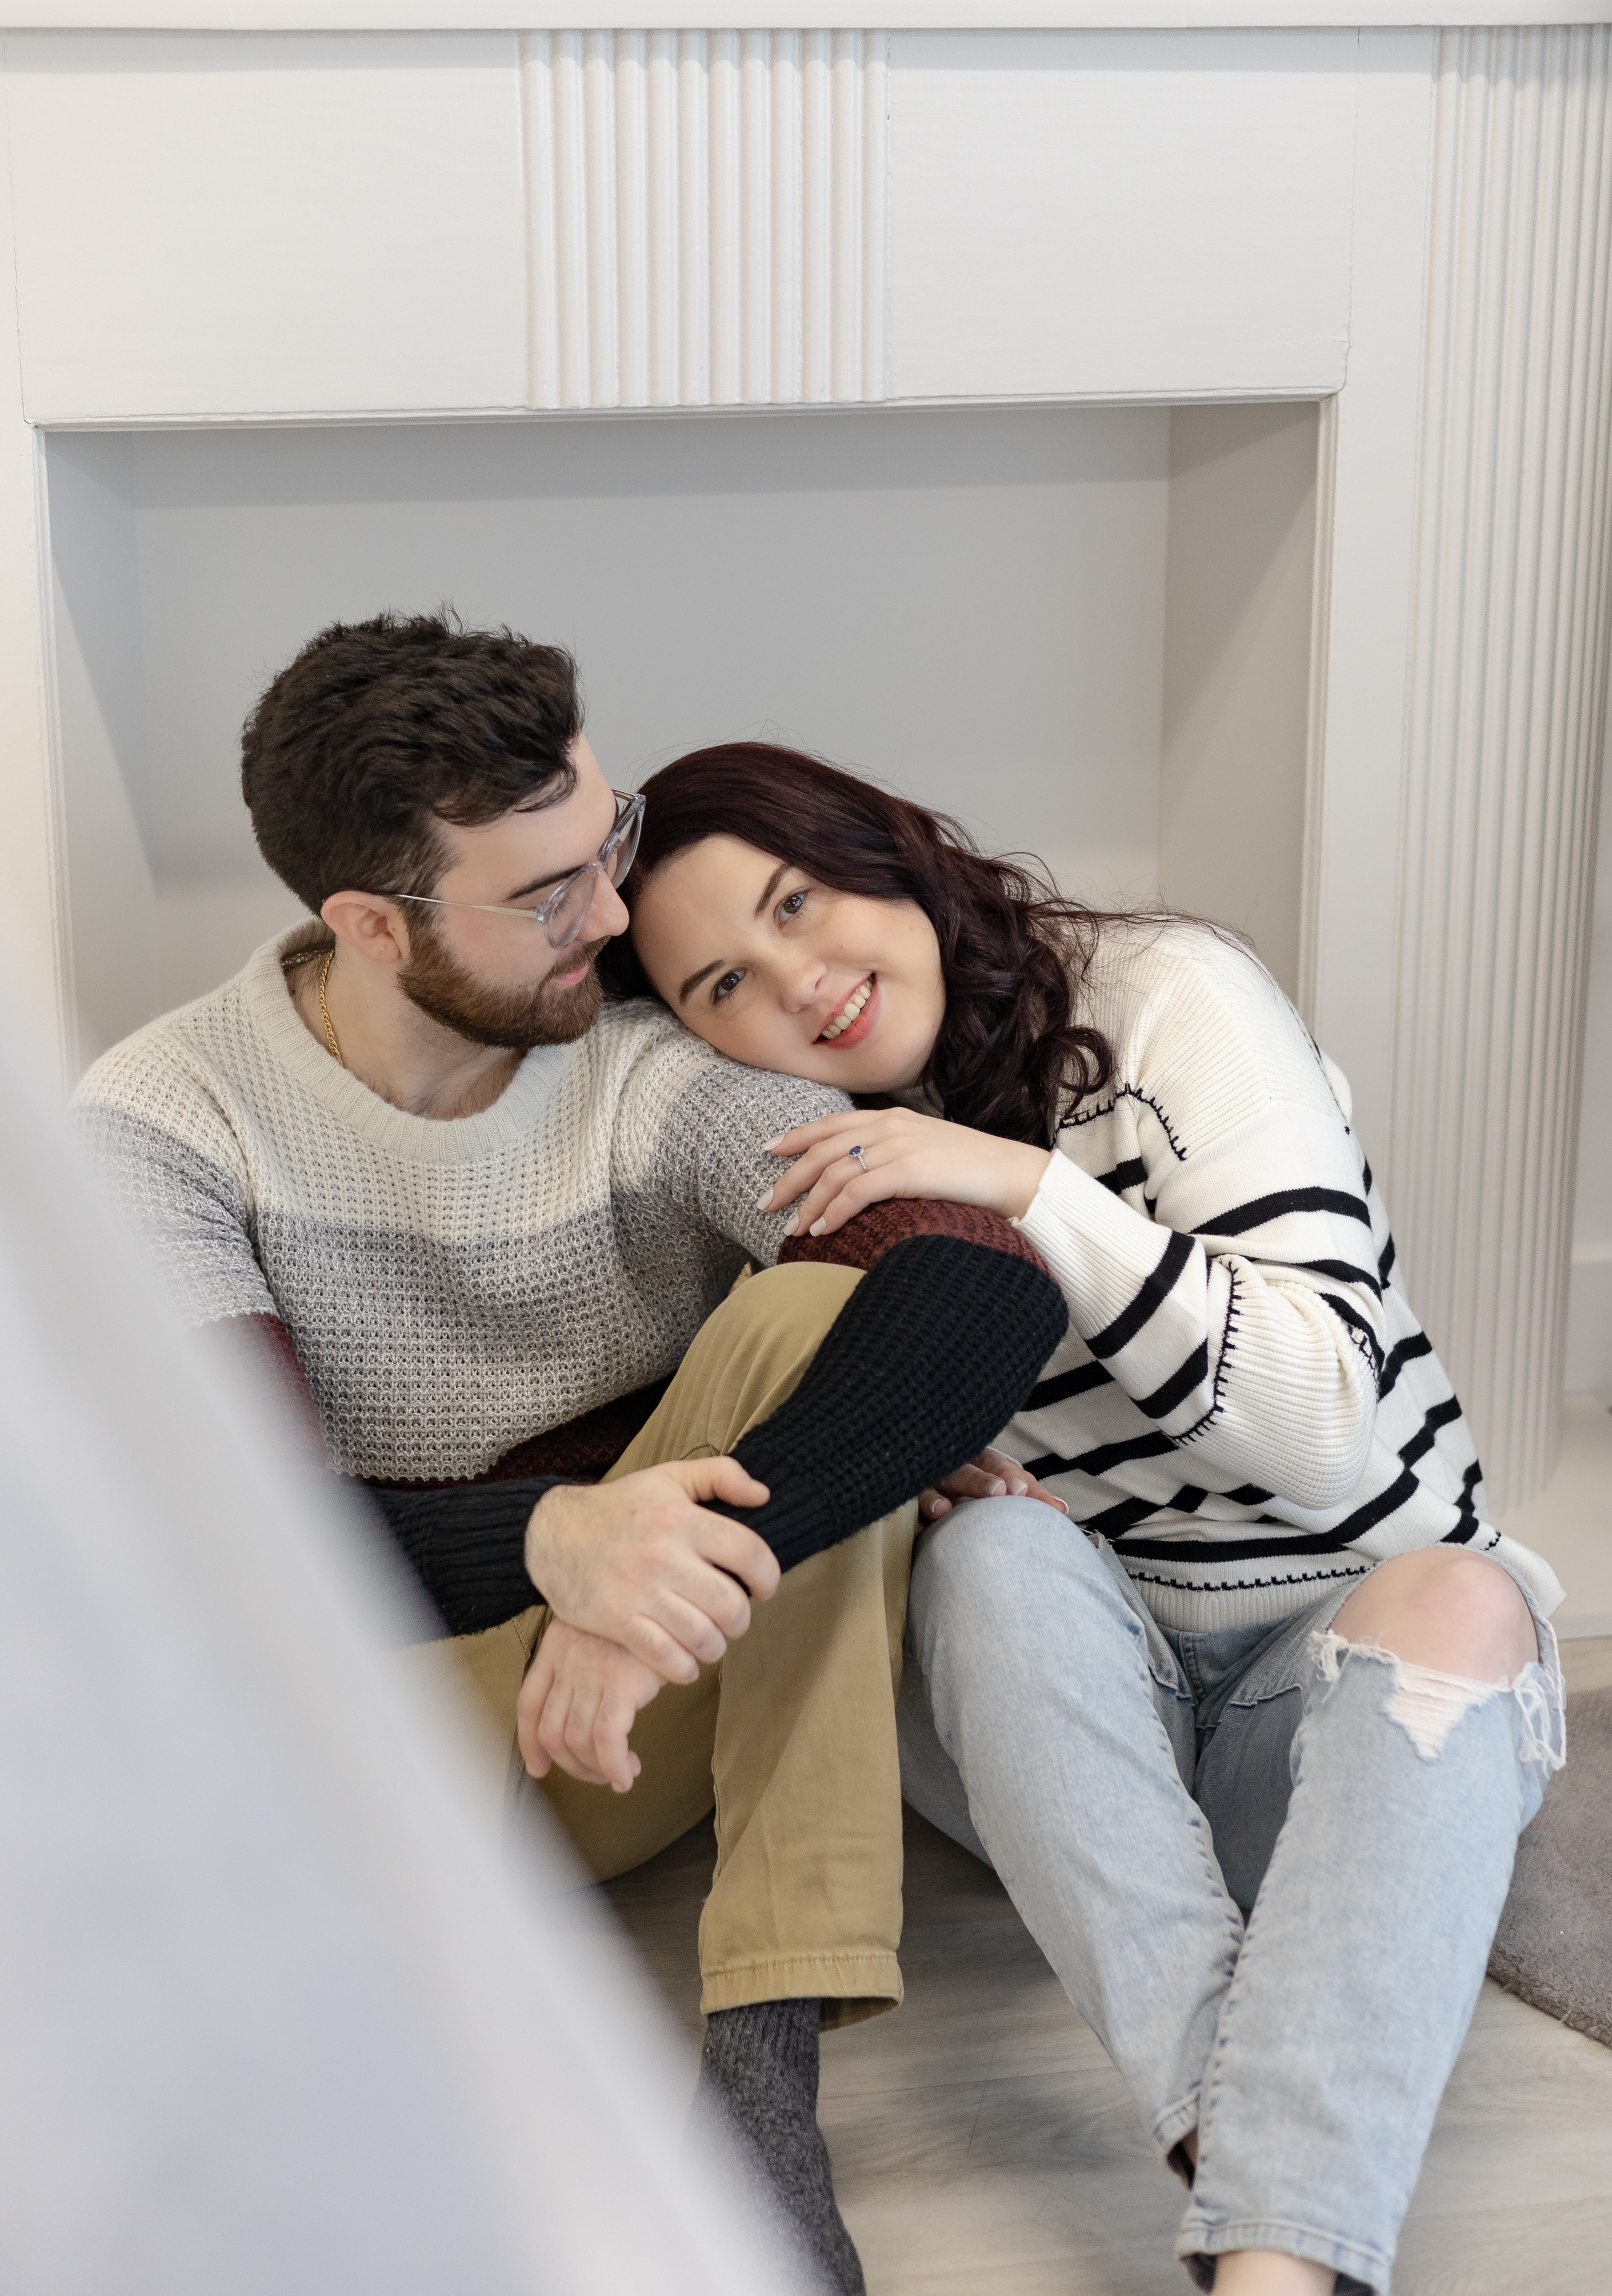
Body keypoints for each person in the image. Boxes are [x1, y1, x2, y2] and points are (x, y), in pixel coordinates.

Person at [71, 618, 1067, 2296]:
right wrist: (558, 1542)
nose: (615, 917)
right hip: (354, 1756)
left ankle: (759, 2086)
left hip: (619, 1704)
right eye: (547, 896)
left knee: (817, 1320)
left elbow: (982, 1275)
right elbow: (227, 1550)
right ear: (371, 924)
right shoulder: (164, 1121)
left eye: (601, 845)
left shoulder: (647, 1078)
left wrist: (671, 1563)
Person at [606, 737, 1567, 2296]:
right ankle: (1273, 2180)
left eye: (801, 899)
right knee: (980, 1554)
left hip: (1332, 1697)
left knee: (1462, 1598)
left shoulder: (1167, 996)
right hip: (1065, 1733)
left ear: (889, 847)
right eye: (724, 983)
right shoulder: (785, 1157)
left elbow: (1329, 1427)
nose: (802, 980)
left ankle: (1270, 2261)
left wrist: (1028, 1191)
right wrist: (905, 1459)